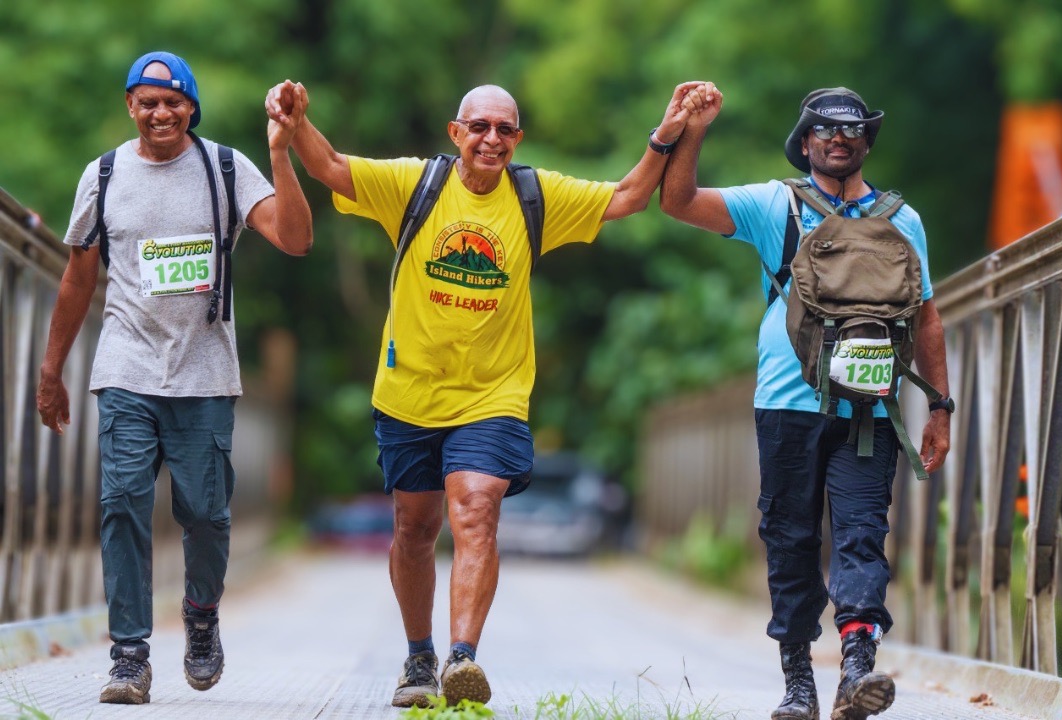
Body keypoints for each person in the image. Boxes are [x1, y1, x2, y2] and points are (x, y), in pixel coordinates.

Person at [264, 79, 696, 707]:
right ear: (456, 132)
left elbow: (631, 196)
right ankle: (419, 658)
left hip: (493, 392)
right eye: (481, 127)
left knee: (476, 509)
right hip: (408, 389)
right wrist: (297, 122)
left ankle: (462, 660)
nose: (492, 139)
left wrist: (666, 132)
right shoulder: (415, 185)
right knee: (414, 527)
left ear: (517, 139)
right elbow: (330, 168)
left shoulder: (535, 194)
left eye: (505, 129)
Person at [661, 85, 952, 720]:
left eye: (851, 132)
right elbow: (676, 201)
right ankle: (799, 684)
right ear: (806, 142)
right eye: (824, 130)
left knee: (860, 537)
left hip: (869, 409)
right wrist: (692, 131)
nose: (838, 139)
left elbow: (927, 316)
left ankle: (855, 670)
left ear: (866, 143)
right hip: (786, 404)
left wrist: (939, 406)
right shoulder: (776, 205)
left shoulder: (903, 219)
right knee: (790, 539)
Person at [36, 51, 313, 705]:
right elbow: (78, 276)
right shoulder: (103, 175)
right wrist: (51, 370)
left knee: (207, 517)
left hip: (206, 374)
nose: (160, 113)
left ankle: (201, 617)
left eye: (172, 102)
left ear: (191, 107)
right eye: (146, 101)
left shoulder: (224, 168)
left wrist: (280, 152)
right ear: (130, 107)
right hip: (127, 367)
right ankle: (129, 654)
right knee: (121, 506)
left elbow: (297, 240)